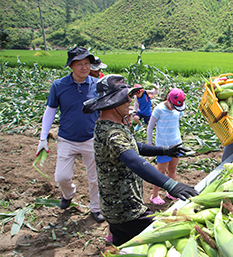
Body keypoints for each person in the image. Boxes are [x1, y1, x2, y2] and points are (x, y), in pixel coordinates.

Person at [82, 74, 198, 246]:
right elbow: (134, 160)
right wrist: (171, 185)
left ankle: (111, 249)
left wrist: (165, 150)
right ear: (112, 103)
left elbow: (135, 146)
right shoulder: (112, 134)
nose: (130, 101)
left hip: (115, 208)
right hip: (126, 211)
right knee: (170, 238)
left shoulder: (110, 125)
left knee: (121, 246)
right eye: (125, 98)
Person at [35, 46, 105, 223]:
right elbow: (50, 111)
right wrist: (43, 137)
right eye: (80, 64)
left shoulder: (97, 85)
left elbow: (105, 110)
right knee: (62, 177)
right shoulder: (59, 86)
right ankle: (69, 193)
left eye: (87, 63)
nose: (84, 67)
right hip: (67, 138)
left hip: (91, 138)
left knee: (95, 177)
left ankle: (96, 208)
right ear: (71, 66)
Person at [147, 88, 187, 205]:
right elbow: (150, 126)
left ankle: (171, 192)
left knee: (172, 169)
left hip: (176, 144)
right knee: (160, 172)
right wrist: (149, 143)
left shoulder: (178, 108)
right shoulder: (159, 109)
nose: (175, 108)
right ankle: (154, 195)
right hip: (163, 146)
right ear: (168, 99)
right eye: (173, 105)